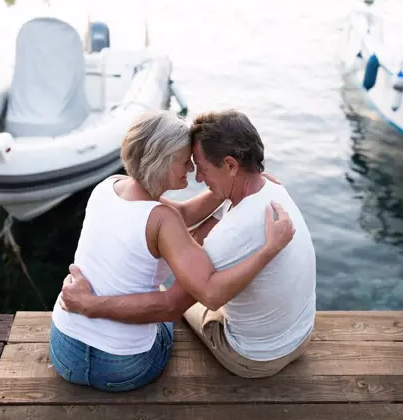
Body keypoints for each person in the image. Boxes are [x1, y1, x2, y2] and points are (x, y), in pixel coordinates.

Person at [60, 110, 316, 379]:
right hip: (295, 337)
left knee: (169, 294)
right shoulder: (274, 196)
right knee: (169, 294)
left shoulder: (107, 186)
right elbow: (177, 294)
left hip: (67, 352)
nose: (195, 174)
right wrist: (240, 183)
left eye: (201, 167)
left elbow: (182, 294)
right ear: (164, 161)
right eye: (187, 162)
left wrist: (89, 304)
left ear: (231, 165)